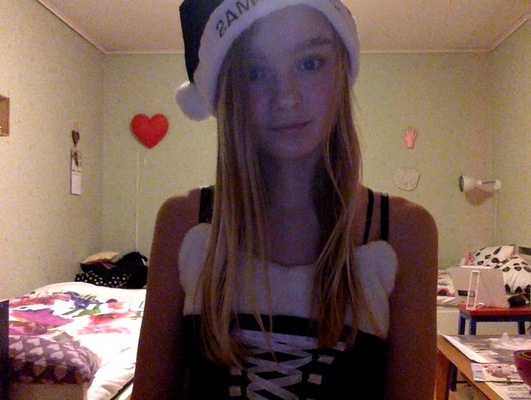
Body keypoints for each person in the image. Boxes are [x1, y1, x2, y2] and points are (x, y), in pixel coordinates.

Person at [133, 1, 438, 399]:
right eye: (256, 73)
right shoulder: (184, 222)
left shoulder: (404, 232)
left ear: (342, 68)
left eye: (310, 63)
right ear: (229, 92)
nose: (286, 98)